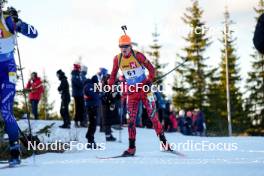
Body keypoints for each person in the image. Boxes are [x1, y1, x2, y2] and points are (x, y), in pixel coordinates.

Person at [108, 33, 171, 156]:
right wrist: (110, 89)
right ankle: (131, 148)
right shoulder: (117, 59)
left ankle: (164, 143)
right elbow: (112, 75)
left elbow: (151, 69)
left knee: (153, 117)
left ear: (130, 46)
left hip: (145, 90)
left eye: (126, 46)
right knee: (131, 120)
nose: (124, 49)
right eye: (121, 47)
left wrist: (149, 81)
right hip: (132, 92)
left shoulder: (138, 55)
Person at [0, 2, 38, 166]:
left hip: (7, 70)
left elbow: (34, 33)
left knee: (5, 110)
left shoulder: (7, 20)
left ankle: (15, 151)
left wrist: (20, 23)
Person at [83, 75, 100, 148]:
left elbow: (98, 94)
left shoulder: (92, 86)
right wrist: (98, 94)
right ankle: (90, 139)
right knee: (93, 124)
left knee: (93, 124)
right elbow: (93, 95)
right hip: (91, 107)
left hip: (94, 106)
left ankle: (90, 139)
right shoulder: (88, 85)